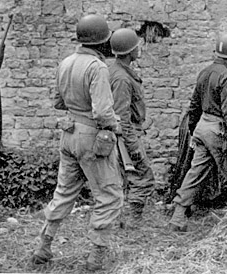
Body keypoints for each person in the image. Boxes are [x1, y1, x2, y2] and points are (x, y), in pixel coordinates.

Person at [32, 14, 123, 271]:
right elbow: (103, 112)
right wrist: (116, 126)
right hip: (91, 136)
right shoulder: (98, 67)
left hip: (69, 132)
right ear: (102, 42)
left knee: (64, 191)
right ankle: (97, 254)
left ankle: (44, 245)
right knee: (109, 195)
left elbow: (57, 101)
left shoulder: (66, 62)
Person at [168, 34, 227, 231]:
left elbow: (194, 105)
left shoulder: (205, 72)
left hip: (203, 127)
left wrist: (194, 130)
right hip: (217, 129)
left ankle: (178, 215)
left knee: (196, 172)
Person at [108, 28, 155, 223]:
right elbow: (121, 117)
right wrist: (133, 146)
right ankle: (133, 221)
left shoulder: (119, 71)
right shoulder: (121, 78)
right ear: (129, 52)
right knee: (143, 176)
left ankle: (122, 218)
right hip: (125, 135)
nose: (139, 49)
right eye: (136, 46)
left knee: (125, 178)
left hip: (127, 132)